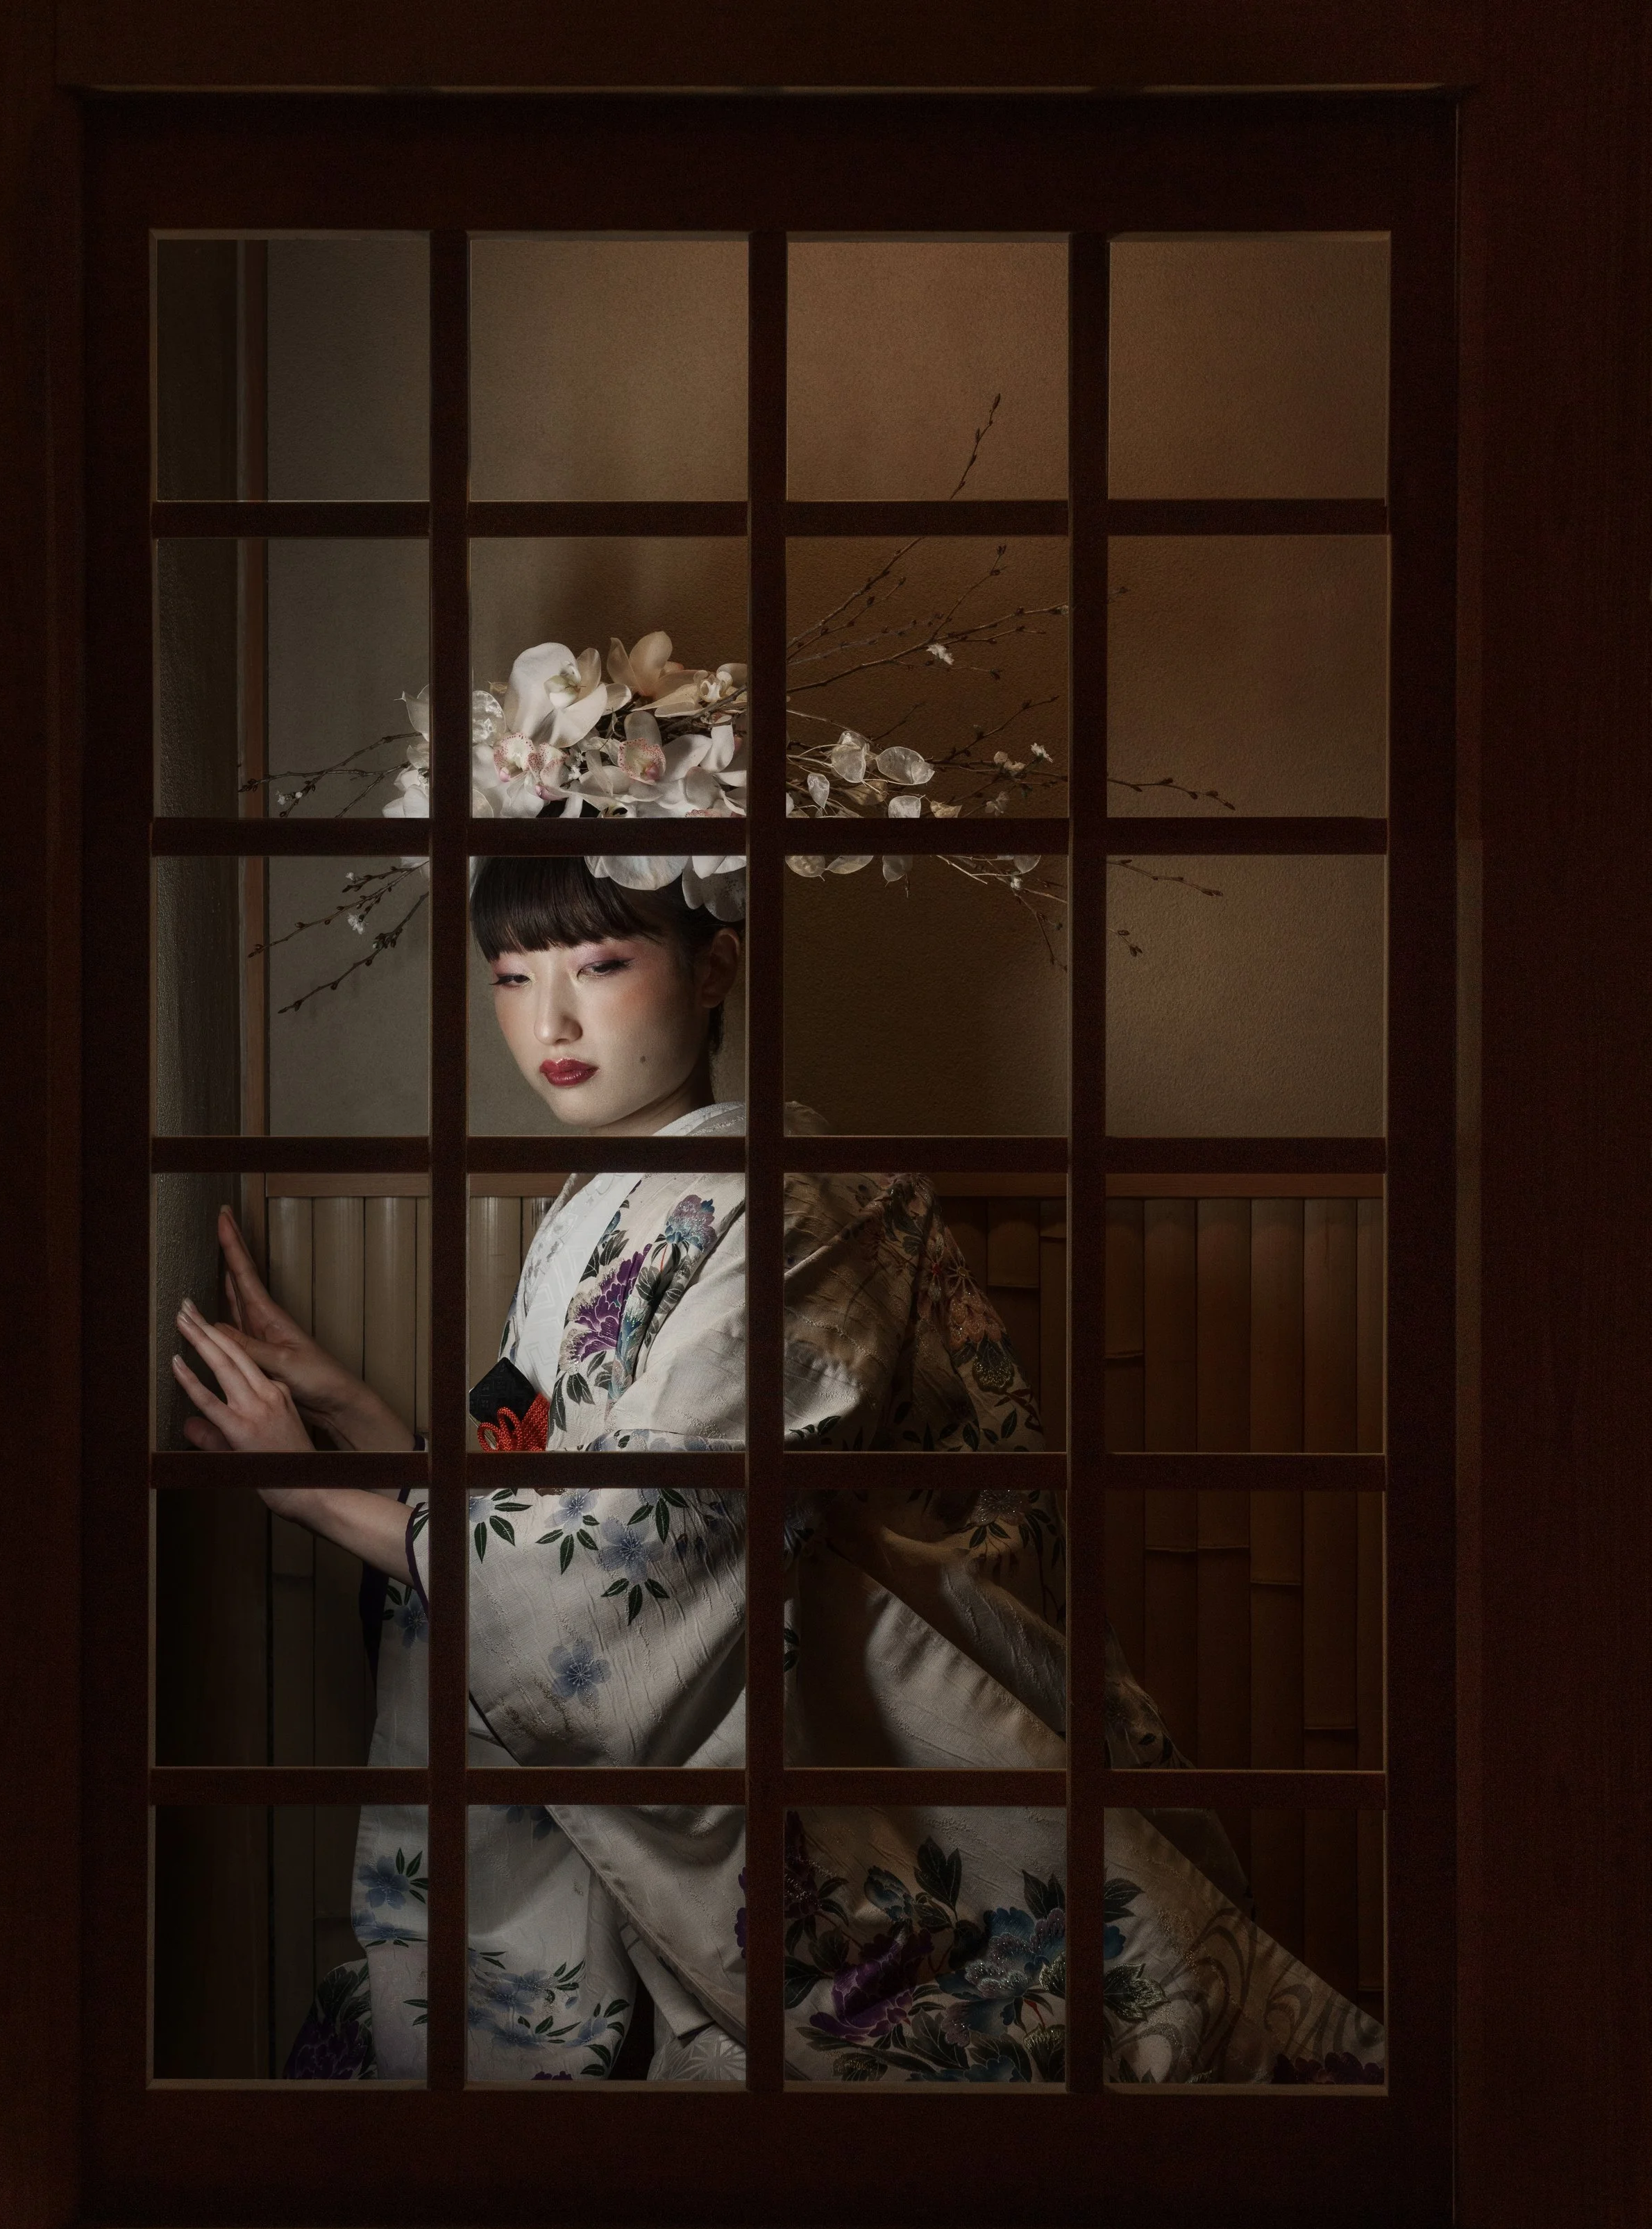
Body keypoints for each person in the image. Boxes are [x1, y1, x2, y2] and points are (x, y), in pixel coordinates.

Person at [173, 850, 1385, 2088]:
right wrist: (352, 1413)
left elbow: (654, 1541)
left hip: (848, 1755)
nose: (552, 1022)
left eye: (600, 963)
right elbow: (545, 1482)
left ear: (716, 969)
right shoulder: (604, 1196)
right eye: (513, 975)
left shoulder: (795, 1201)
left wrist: (313, 1492)